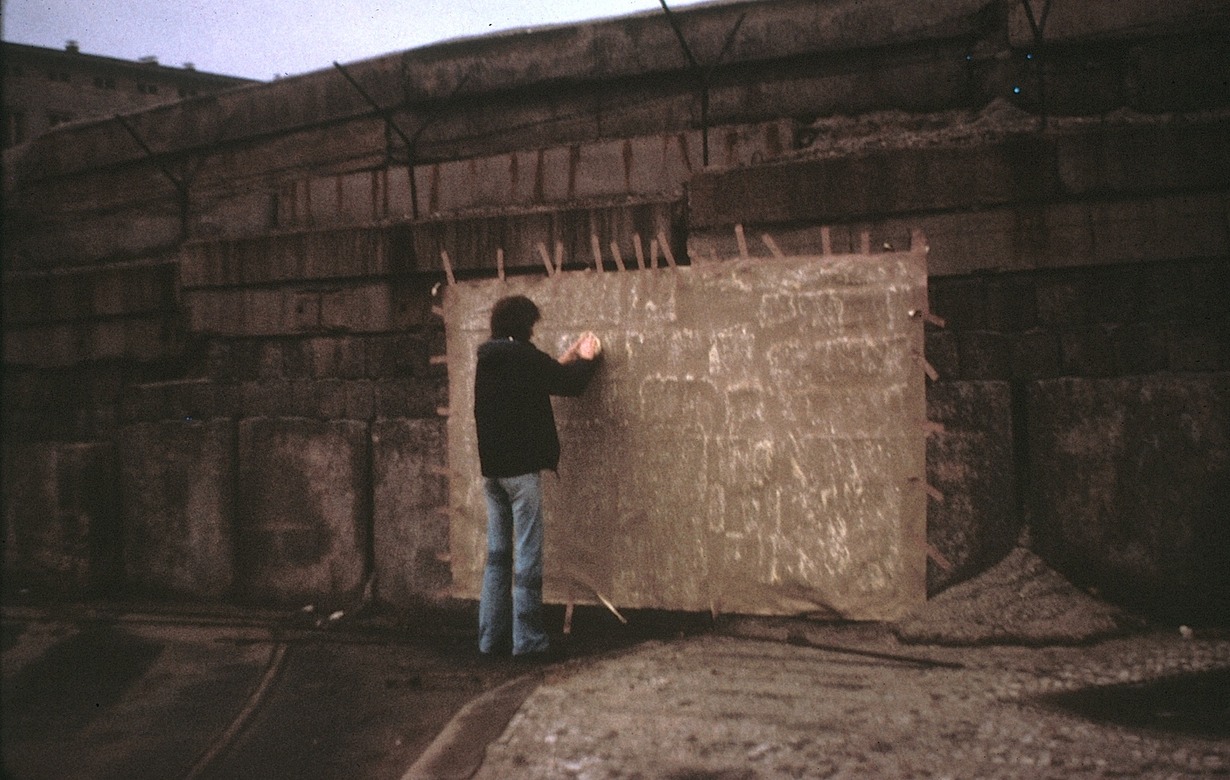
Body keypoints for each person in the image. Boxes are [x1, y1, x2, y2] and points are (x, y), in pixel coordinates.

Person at [473, 294, 601, 660]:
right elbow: (568, 384)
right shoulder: (523, 357)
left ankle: (489, 639)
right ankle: (526, 639)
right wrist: (588, 360)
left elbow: (540, 378)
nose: (533, 330)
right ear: (523, 324)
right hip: (520, 475)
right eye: (531, 324)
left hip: (492, 474)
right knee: (527, 556)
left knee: (497, 557)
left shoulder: (490, 358)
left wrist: (571, 356)